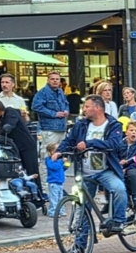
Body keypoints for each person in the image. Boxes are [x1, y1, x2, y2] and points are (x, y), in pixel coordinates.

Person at [53, 95, 127, 234]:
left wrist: (90, 143)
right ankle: (80, 246)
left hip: (105, 170)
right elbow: (69, 140)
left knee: (119, 189)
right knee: (83, 209)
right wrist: (59, 152)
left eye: (87, 106)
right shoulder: (81, 124)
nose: (84, 109)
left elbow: (113, 144)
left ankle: (119, 221)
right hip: (85, 172)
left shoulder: (113, 125)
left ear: (97, 108)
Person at [0, 99, 42, 197]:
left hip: (26, 146)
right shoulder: (1, 118)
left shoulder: (10, 112)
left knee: (32, 170)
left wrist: (6, 128)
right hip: (16, 148)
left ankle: (38, 196)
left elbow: (11, 123)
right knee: (19, 172)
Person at [31, 72, 70, 151]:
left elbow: (66, 103)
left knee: (60, 154)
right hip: (49, 129)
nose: (55, 81)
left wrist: (66, 110)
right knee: (47, 154)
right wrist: (54, 114)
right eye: (52, 79)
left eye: (57, 79)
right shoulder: (42, 92)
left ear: (59, 81)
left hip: (62, 128)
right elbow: (36, 107)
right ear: (48, 80)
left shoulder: (60, 91)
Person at [118, 121, 136, 203]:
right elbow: (114, 156)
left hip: (134, 167)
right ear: (126, 132)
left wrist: (127, 169)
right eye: (131, 130)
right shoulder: (119, 144)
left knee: (133, 173)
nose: (133, 132)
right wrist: (119, 163)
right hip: (119, 167)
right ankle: (117, 199)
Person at [44, 143, 65, 216]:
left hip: (60, 182)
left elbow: (62, 169)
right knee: (54, 199)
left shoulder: (59, 161)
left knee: (60, 198)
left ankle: (61, 211)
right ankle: (52, 212)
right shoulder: (49, 160)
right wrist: (61, 162)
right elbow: (54, 167)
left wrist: (66, 164)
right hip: (53, 182)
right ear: (52, 152)